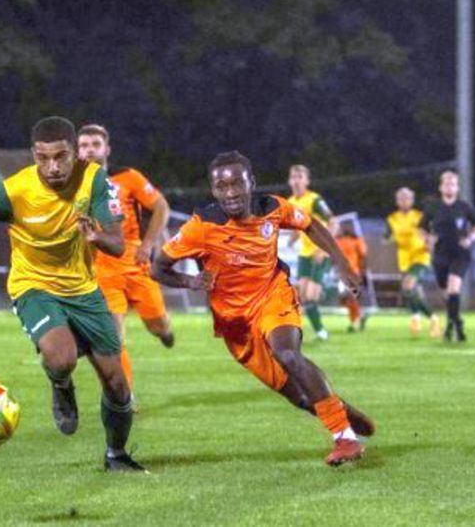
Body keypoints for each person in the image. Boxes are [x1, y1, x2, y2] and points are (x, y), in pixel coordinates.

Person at [0, 116, 145, 472]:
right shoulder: (14, 190)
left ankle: (116, 455)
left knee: (117, 384)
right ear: (34, 155)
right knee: (61, 356)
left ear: (75, 154)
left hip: (84, 290)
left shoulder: (95, 180)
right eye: (42, 157)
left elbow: (116, 242)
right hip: (33, 286)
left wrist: (96, 237)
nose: (52, 167)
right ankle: (61, 384)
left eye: (61, 157)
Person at [152, 151, 374, 467]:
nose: (230, 193)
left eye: (237, 184)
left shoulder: (272, 207)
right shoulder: (200, 227)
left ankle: (344, 437)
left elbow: (311, 225)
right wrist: (191, 282)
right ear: (213, 190)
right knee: (298, 397)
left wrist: (341, 263)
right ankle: (338, 408)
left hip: (273, 295)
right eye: (221, 187)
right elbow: (157, 268)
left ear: (251, 183)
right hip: (235, 325)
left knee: (287, 353)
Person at [77, 124, 176, 401]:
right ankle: (123, 396)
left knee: (158, 324)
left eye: (95, 144)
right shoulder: (71, 185)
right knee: (112, 337)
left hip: (135, 261)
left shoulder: (128, 177)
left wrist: (148, 244)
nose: (89, 150)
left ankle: (164, 332)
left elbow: (161, 207)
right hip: (101, 268)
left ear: (106, 149)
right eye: (84, 145)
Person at [423, 171, 475, 342]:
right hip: (440, 255)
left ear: (457, 188)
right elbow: (420, 227)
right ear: (441, 187)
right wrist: (428, 239)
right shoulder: (433, 208)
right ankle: (455, 320)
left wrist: (471, 238)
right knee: (446, 294)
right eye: (447, 183)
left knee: (453, 289)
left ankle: (454, 325)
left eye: (453, 183)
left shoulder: (464, 207)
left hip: (460, 255)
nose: (450, 186)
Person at [286, 165, 335, 341]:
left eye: (300, 177)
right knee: (304, 297)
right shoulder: (290, 202)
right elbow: (297, 225)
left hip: (320, 251)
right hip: (304, 254)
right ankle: (321, 332)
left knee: (311, 295)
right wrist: (292, 238)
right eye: (294, 177)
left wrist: (324, 248)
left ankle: (322, 331)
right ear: (289, 181)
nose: (297, 180)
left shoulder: (315, 200)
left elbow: (333, 222)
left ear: (307, 181)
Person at [385, 187, 441, 337]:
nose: (404, 201)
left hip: (420, 257)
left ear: (412, 200)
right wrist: (387, 239)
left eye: (407, 198)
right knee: (413, 291)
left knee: (408, 286)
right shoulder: (392, 219)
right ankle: (418, 318)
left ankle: (431, 318)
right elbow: (387, 236)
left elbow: (432, 234)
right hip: (404, 260)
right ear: (397, 201)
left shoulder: (420, 216)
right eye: (401, 198)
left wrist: (430, 243)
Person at [334, 221, 367, 333]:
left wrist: (363, 272)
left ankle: (354, 323)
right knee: (343, 299)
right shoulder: (336, 240)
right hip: (341, 273)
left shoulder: (356, 240)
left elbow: (363, 256)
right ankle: (360, 316)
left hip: (353, 272)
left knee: (350, 297)